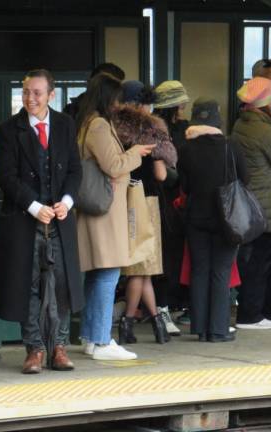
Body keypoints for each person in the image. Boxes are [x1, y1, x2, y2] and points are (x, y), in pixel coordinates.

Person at [0, 69, 83, 374]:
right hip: (25, 219)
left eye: (36, 93)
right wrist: (34, 206)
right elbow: (5, 176)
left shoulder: (65, 124)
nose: (29, 99)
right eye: (26, 92)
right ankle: (34, 349)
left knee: (61, 284)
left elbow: (75, 169)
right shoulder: (9, 129)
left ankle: (59, 347)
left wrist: (67, 202)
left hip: (60, 219)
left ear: (51, 95)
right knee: (27, 285)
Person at [76, 73, 154, 361]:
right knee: (108, 275)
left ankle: (90, 337)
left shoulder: (87, 123)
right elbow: (113, 165)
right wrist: (136, 152)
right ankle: (101, 339)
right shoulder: (97, 125)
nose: (120, 104)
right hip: (105, 213)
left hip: (99, 211)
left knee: (98, 276)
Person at [178, 98, 248, 342]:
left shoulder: (186, 149)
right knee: (220, 271)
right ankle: (218, 330)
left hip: (196, 217)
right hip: (227, 220)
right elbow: (245, 180)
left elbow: (184, 185)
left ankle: (200, 328)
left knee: (199, 271)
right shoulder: (231, 146)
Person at [114, 80, 172, 345]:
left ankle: (150, 323)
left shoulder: (113, 127)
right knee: (142, 267)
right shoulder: (152, 129)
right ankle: (136, 322)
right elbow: (160, 174)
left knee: (141, 268)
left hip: (123, 199)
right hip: (147, 200)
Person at [232, 77, 271, 330]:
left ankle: (268, 310)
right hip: (267, 202)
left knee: (258, 258)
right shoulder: (266, 130)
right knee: (265, 261)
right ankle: (252, 314)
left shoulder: (240, 125)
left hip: (250, 202)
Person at [151, 80, 190, 334]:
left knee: (163, 257)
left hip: (158, 200)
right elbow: (166, 172)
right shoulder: (175, 132)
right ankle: (164, 307)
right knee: (168, 257)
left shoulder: (154, 128)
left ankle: (163, 306)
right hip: (170, 201)